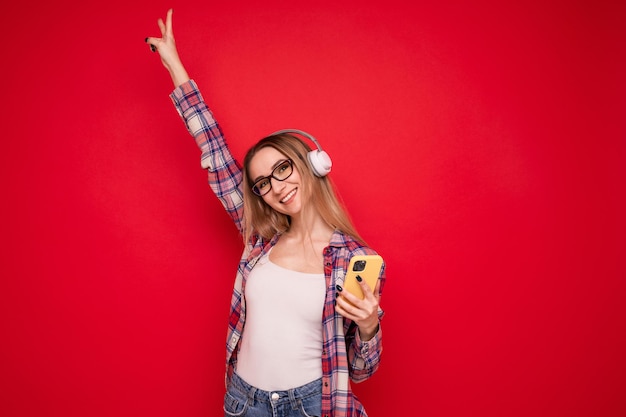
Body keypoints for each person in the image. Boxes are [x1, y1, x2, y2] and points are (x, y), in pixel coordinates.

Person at [146, 9, 386, 417]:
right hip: (244, 403)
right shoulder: (259, 238)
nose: (277, 187)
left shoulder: (352, 258)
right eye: (263, 183)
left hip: (312, 406)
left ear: (310, 164)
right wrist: (173, 64)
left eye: (282, 168)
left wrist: (369, 326)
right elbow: (216, 151)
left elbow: (361, 371)